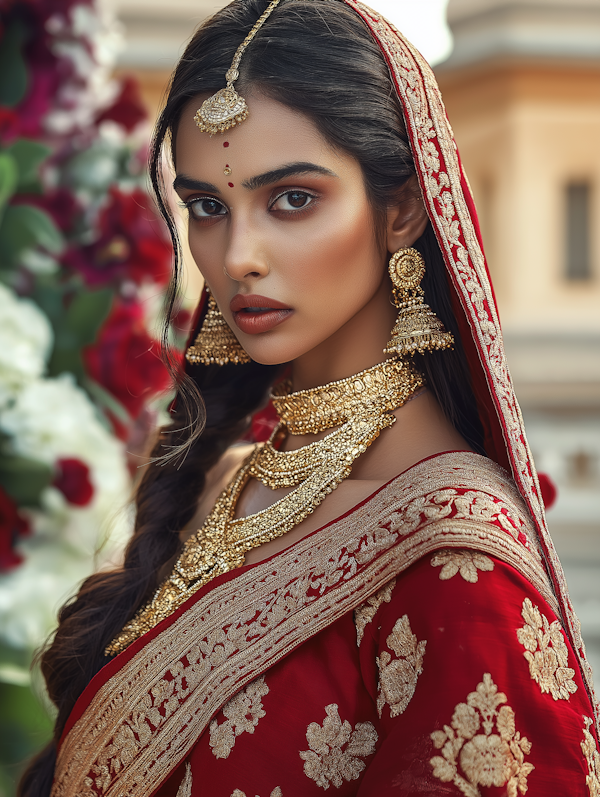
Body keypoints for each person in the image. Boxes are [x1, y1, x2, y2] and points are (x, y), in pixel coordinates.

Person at [20, 1, 600, 795]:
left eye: (292, 198)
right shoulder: (225, 482)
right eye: (207, 207)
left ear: (400, 211)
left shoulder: (456, 562)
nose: (240, 257)